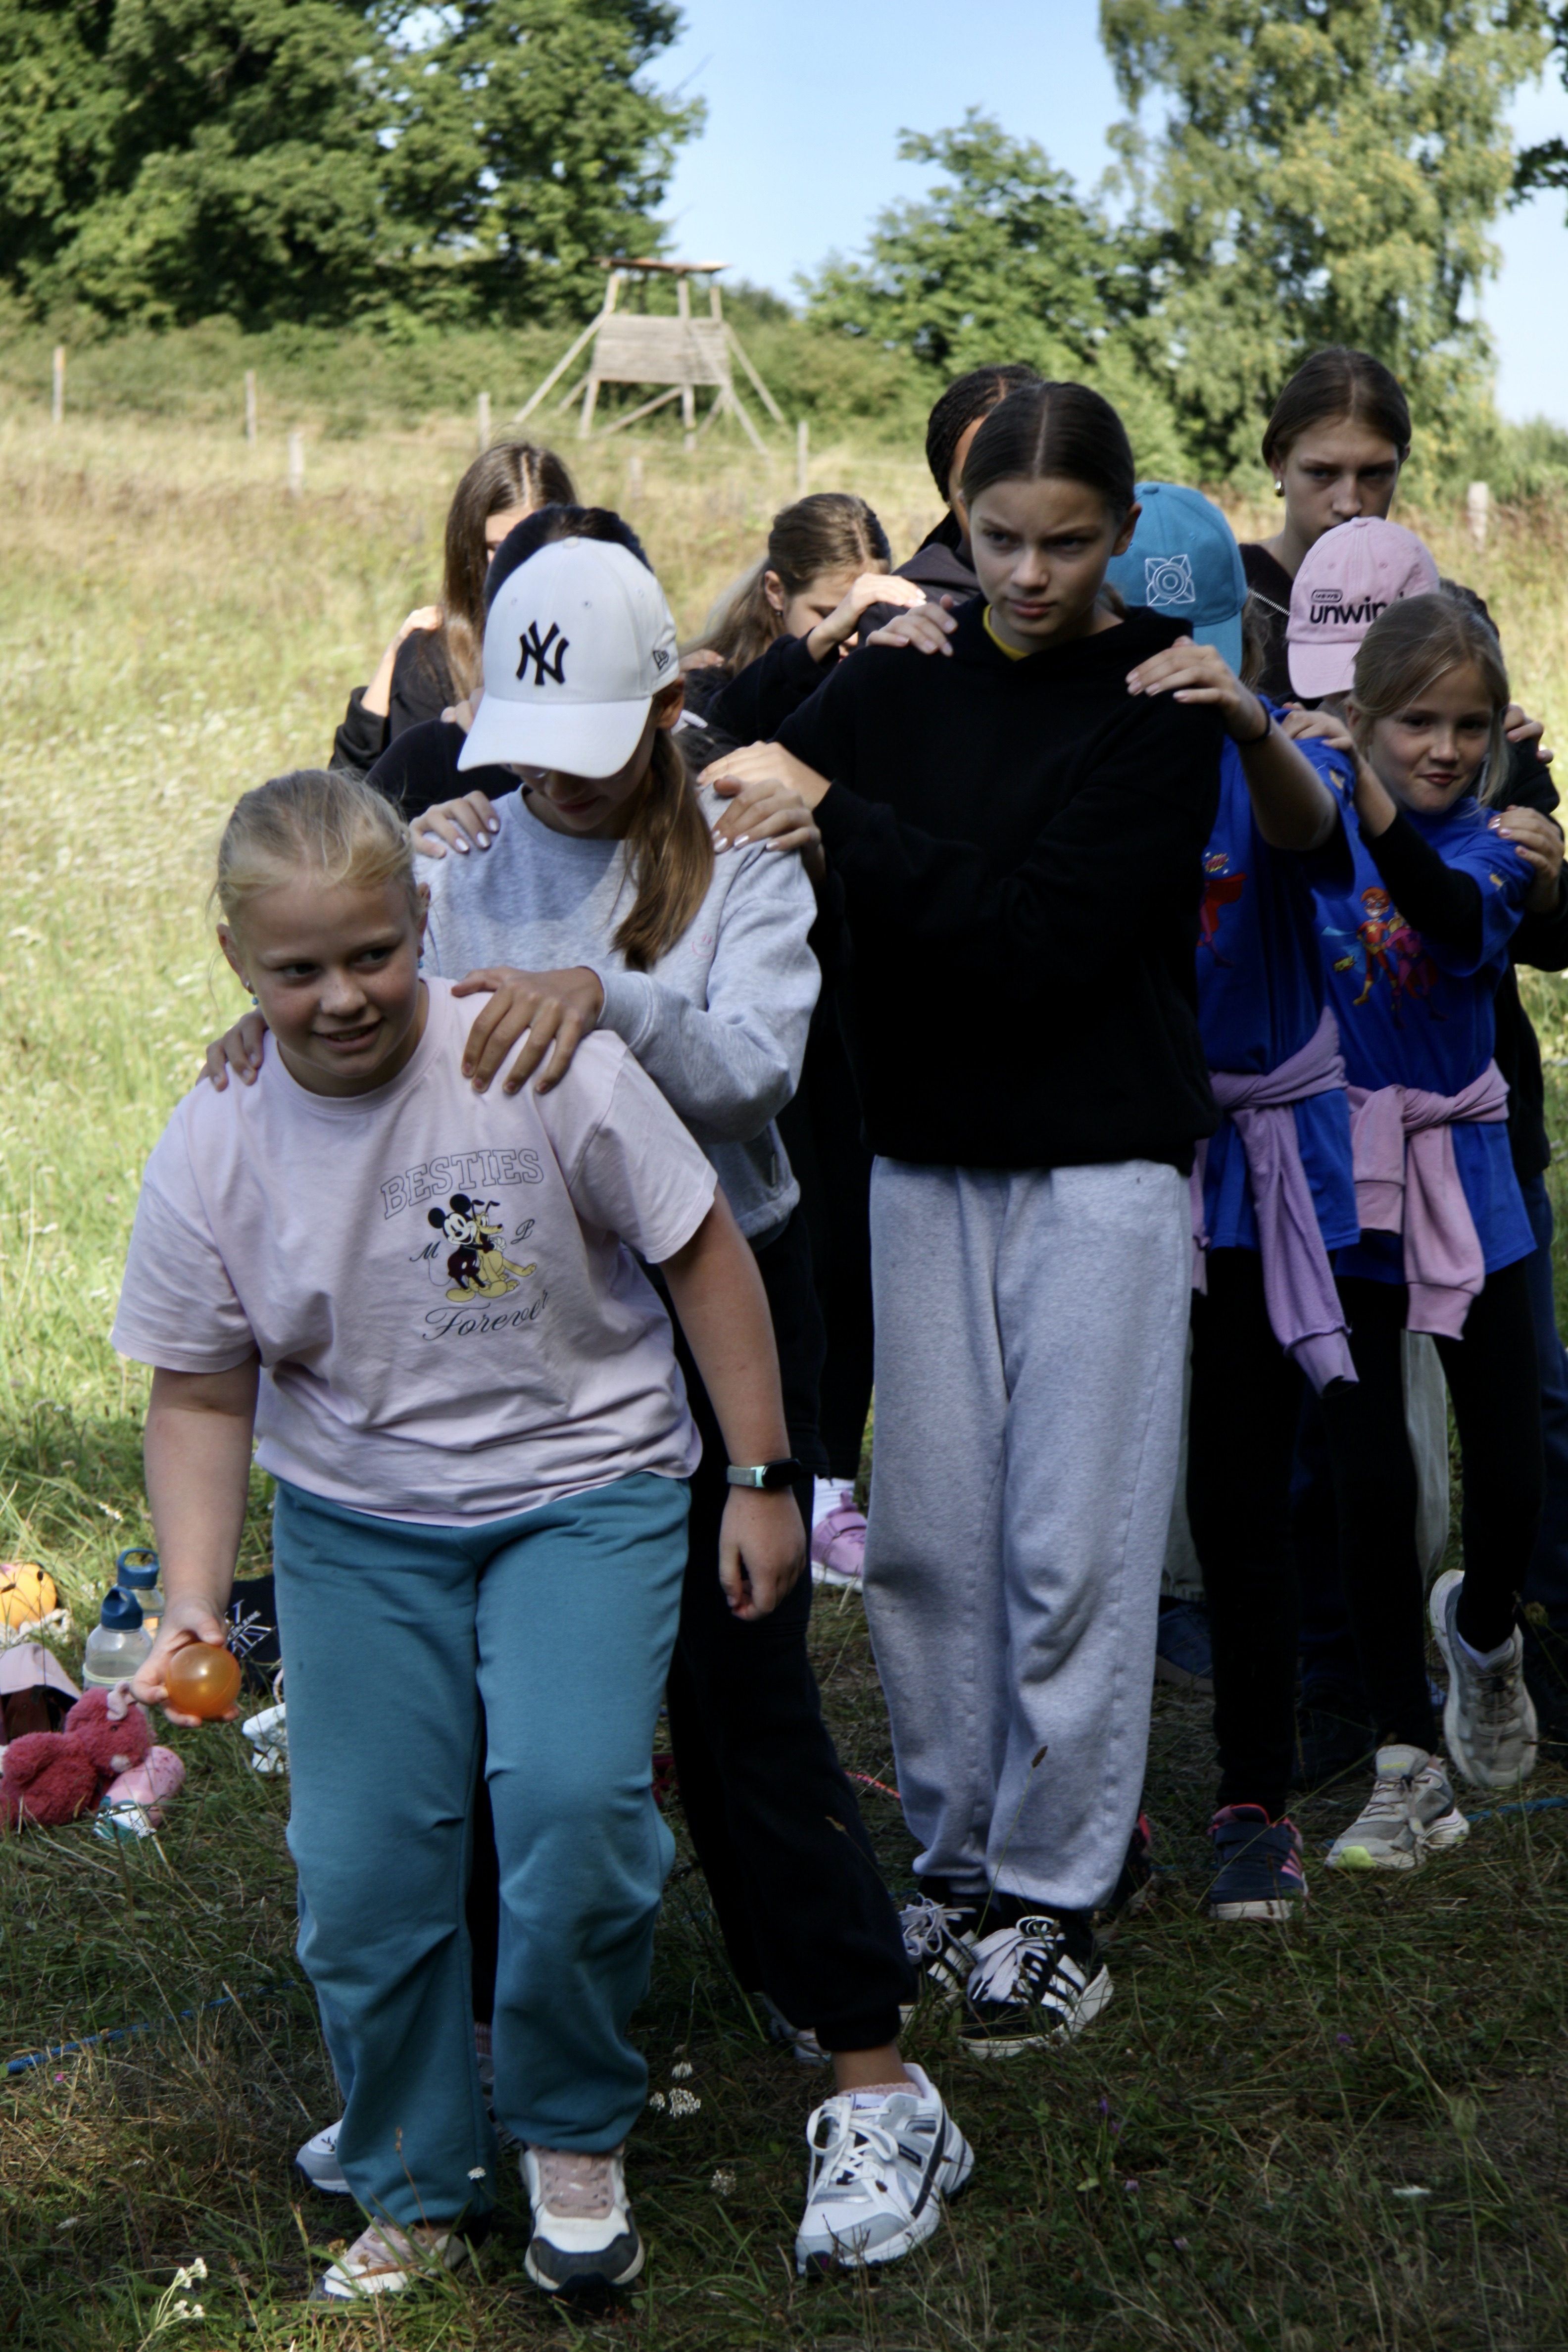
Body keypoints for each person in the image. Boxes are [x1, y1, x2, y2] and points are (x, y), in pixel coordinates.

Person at [208, 517, 971, 2277]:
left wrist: (600, 997)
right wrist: (268, 1029)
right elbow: (365, 998)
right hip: (529, 1318)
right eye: (523, 751)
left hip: (723, 1298)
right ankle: (476, 2053)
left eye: (589, 748)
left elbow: (756, 1073)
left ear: (667, 715)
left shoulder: (742, 850)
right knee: (497, 1707)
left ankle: (871, 2065)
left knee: (737, 1689)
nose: (549, 783)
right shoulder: (465, 851)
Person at [117, 766, 812, 2301]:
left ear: (419, 923)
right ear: (236, 961)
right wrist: (190, 1599)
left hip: (586, 1493)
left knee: (573, 1811)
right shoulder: (219, 1132)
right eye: (298, 970)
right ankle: (415, 2180)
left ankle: (569, 2126)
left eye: (373, 954)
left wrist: (761, 1475)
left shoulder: (533, 1056)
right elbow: (203, 1389)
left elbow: (704, 1248)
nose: (343, 998)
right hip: (362, 1526)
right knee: (363, 1867)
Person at [707, 380, 1226, 2054]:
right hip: (922, 1161)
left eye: (1065, 543)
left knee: (1070, 1547)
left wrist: (843, 814)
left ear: (1119, 531)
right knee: (930, 1545)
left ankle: (1058, 1892)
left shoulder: (1155, 700)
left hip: (1101, 1173)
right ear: (956, 525)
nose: (1028, 574)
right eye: (997, 539)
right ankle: (951, 1867)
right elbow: (712, 758)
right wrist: (830, 655)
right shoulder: (903, 673)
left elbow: (1037, 940)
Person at [1107, 484, 1364, 1915]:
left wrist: (1250, 723)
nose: (1169, 678)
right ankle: (1094, 1802)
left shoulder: (1277, 753)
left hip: (1257, 1175)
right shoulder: (1074, 757)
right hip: (1117, 1162)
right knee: (1098, 1488)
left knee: (1243, 1485)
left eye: (1195, 651)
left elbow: (1314, 836)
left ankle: (1255, 1793)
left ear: (1241, 639)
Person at [1297, 594, 1551, 1862]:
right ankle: (1401, 1748)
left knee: (1507, 1460)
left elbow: (1445, 920)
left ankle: (1485, 1632)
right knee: (1368, 1466)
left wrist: (1370, 792)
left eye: (1466, 725)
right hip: (1345, 1181)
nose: (1442, 748)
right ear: (1360, 716)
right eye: (1413, 724)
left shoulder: (1498, 848)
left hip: (1469, 1172)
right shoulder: (1306, 820)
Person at [329, 442, 576, 778]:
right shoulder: (432, 661)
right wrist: (393, 657)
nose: (516, 565)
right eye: (497, 548)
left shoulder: (603, 643)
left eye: (534, 547)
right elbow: (369, 791)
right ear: (468, 549)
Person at [1239, 347, 1409, 700]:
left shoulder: (1434, 610)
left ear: (1400, 465)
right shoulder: (1225, 598)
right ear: (1278, 463)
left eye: (1375, 474)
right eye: (1321, 473)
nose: (1349, 504)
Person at [687, 492, 922, 742]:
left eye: (867, 613)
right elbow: (720, 728)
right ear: (777, 592)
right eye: (831, 615)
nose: (851, 637)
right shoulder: (708, 682)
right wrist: (819, 642)